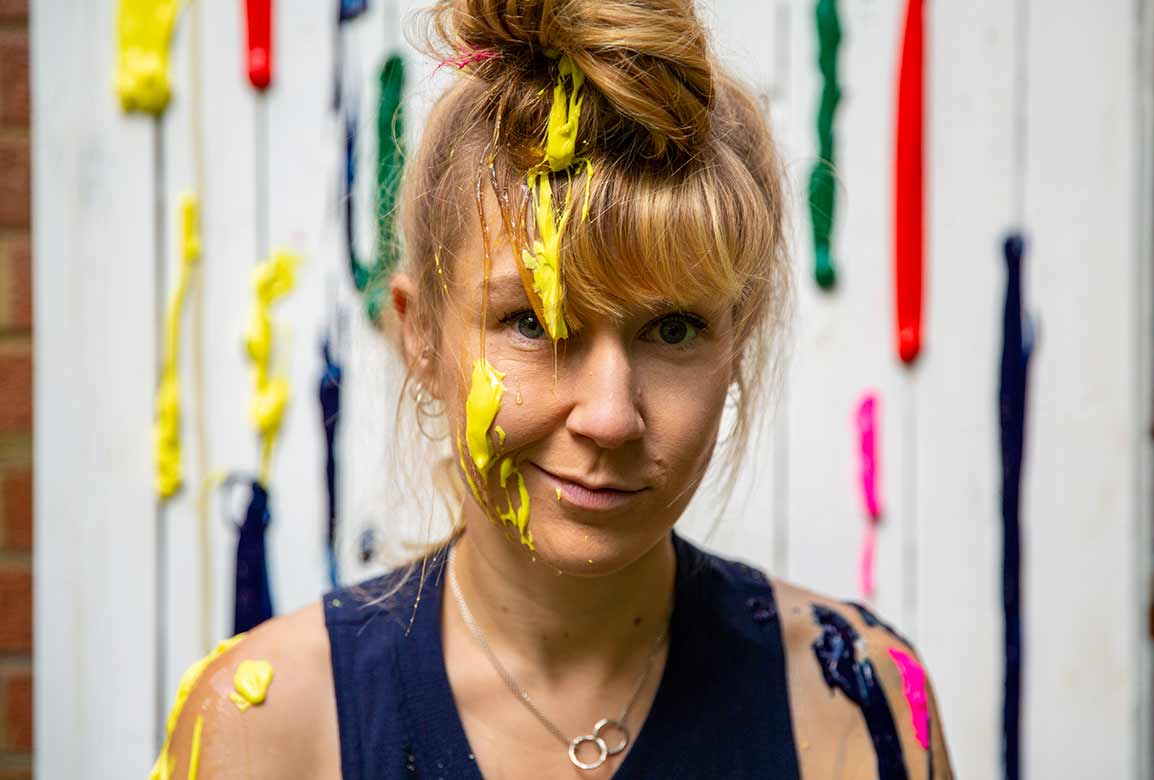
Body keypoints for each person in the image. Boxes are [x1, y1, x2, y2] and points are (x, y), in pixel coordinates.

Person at [155, 0, 954, 777]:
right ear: (421, 336)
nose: (609, 417)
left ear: (736, 344)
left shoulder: (857, 704)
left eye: (673, 329)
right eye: (533, 324)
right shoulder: (268, 730)